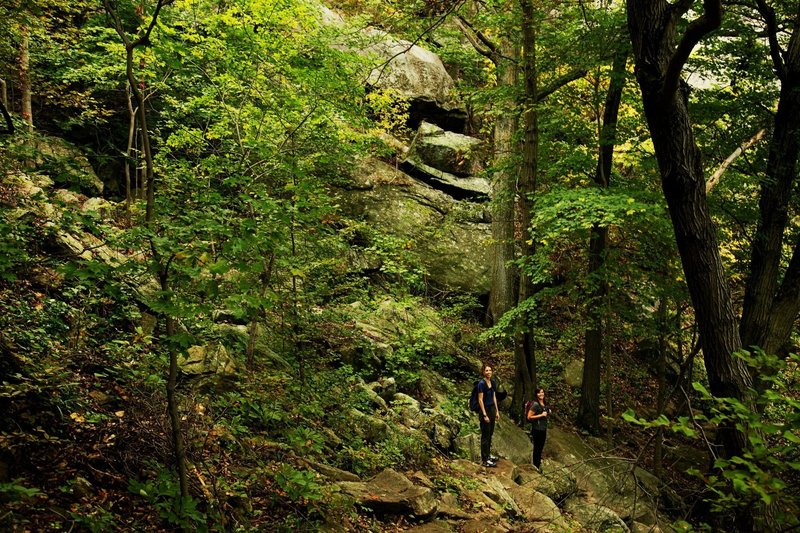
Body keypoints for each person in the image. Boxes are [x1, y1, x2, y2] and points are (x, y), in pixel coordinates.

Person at [477, 363, 500, 467]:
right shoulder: (481, 384)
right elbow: (480, 399)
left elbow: (494, 396)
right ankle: (484, 459)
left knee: (490, 433)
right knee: (485, 435)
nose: (489, 372)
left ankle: (488, 454)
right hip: (485, 410)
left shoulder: (493, 382)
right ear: (483, 372)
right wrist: (485, 415)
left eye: (490, 370)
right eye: (486, 370)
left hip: (491, 409)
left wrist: (497, 411)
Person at [527, 387, 550, 471]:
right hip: (537, 429)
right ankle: (535, 466)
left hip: (543, 429)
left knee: (540, 448)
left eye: (542, 392)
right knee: (537, 448)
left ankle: (538, 464)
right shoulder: (535, 404)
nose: (541, 394)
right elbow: (529, 417)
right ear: (536, 394)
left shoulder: (544, 403)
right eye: (539, 393)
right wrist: (541, 415)